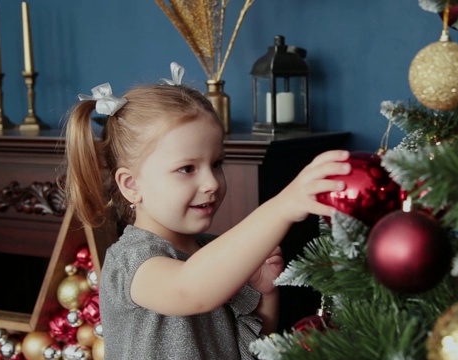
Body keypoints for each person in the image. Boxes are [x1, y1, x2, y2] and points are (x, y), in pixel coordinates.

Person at [62, 62, 351, 359]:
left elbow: (253, 347)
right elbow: (190, 289)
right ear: (132, 184)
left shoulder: (214, 252)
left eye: (216, 163)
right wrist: (283, 205)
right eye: (187, 168)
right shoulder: (131, 260)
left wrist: (265, 292)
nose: (212, 182)